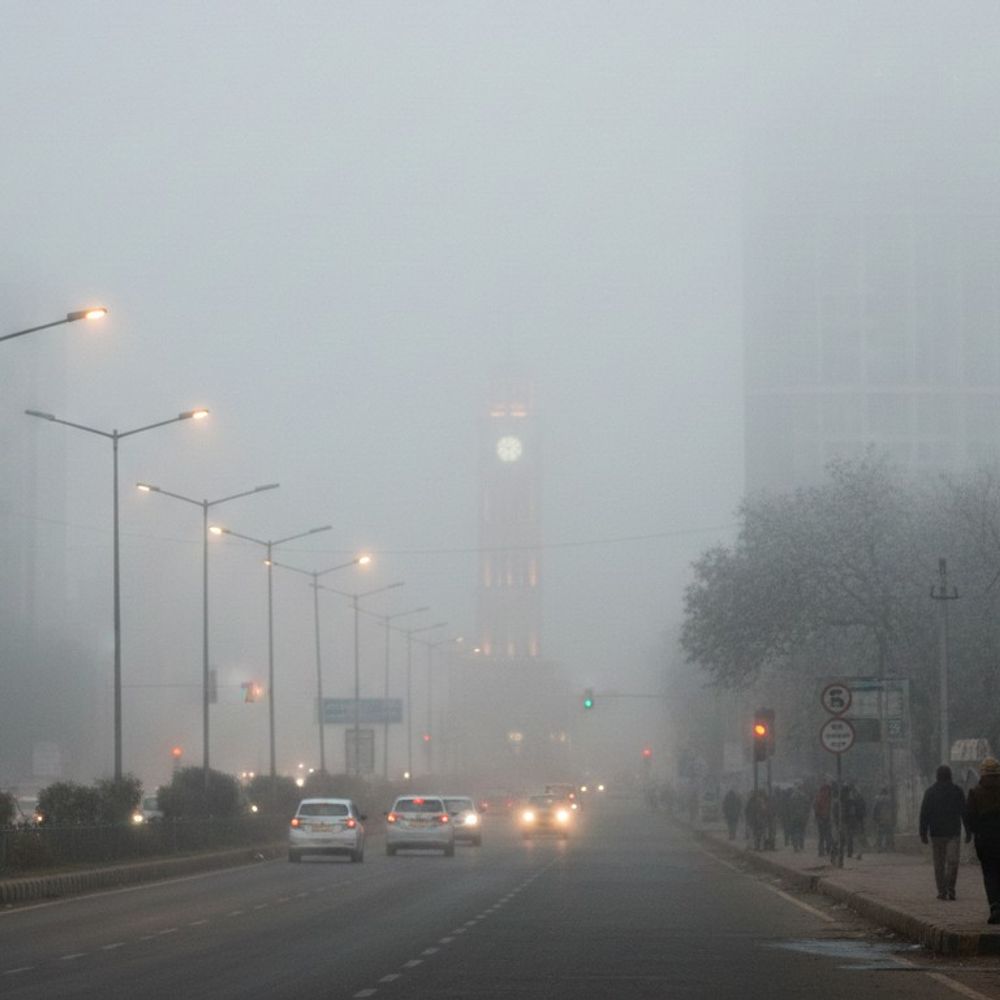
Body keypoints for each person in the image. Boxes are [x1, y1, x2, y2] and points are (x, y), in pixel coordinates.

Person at [920, 764, 967, 901]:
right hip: (953, 833)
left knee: (939, 864)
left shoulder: (930, 792)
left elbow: (924, 814)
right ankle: (950, 889)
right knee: (952, 862)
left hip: (937, 833)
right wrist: (969, 830)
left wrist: (923, 832)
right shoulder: (957, 791)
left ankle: (942, 890)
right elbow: (964, 812)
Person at [964, 757, 1000, 922]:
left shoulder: (975, 792)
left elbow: (970, 817)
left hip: (985, 840)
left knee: (990, 872)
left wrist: (973, 832)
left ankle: (994, 906)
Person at [872, 787, 895, 852]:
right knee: (888, 833)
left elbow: (875, 810)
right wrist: (893, 818)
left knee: (880, 833)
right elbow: (893, 810)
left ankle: (879, 848)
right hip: (888, 819)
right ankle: (887, 847)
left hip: (880, 819)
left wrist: (874, 818)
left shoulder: (878, 800)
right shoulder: (890, 800)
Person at [814, 782, 832, 857]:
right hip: (822, 818)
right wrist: (819, 818)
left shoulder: (829, 798)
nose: (827, 792)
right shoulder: (819, 798)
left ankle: (827, 850)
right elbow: (816, 809)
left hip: (827, 818)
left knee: (827, 836)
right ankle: (821, 851)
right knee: (823, 836)